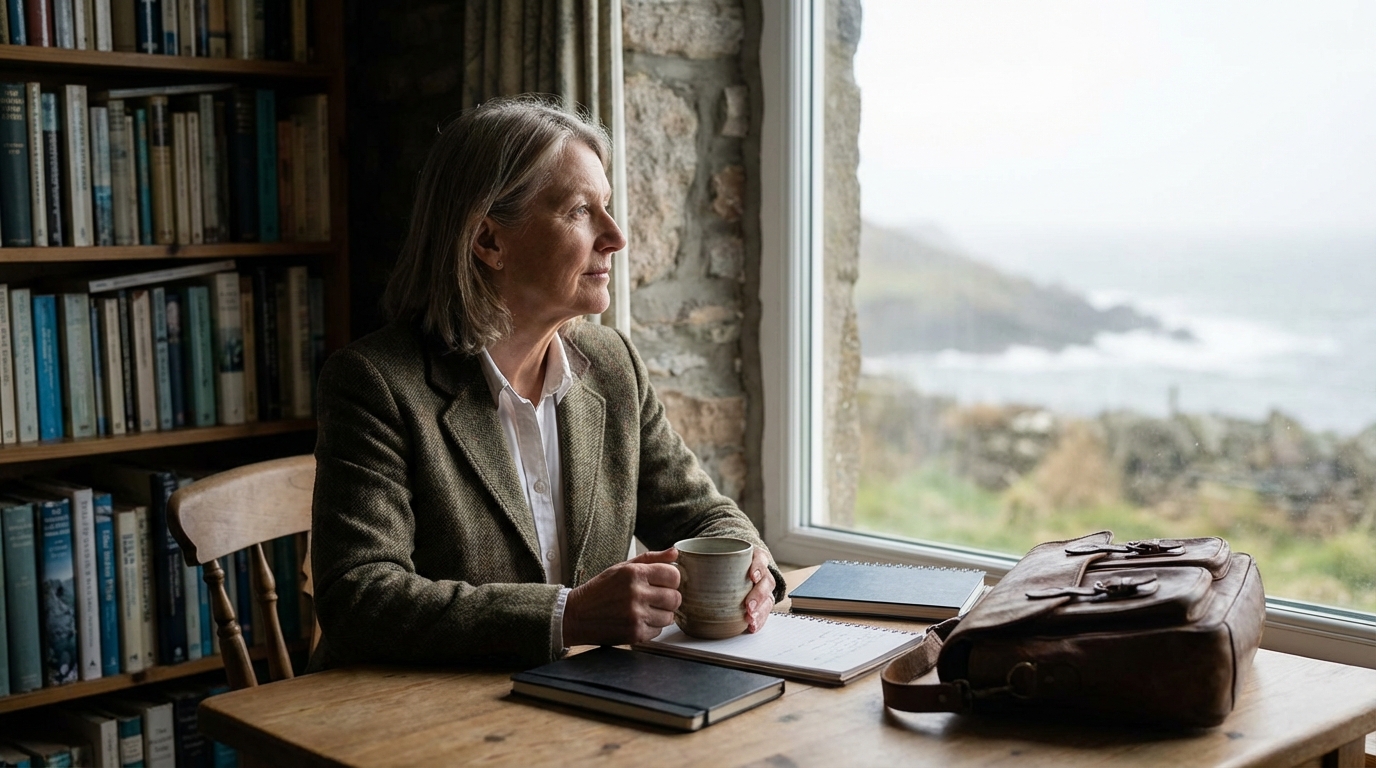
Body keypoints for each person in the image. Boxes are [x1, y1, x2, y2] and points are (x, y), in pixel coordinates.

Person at [308, 97, 785, 670]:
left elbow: (703, 516)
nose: (615, 236)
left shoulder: (612, 365)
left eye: (607, 207)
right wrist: (568, 615)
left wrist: (753, 565)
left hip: (581, 696)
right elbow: (359, 597)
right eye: (581, 211)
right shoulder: (375, 383)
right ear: (489, 241)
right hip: (414, 708)